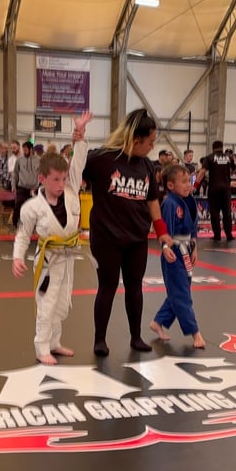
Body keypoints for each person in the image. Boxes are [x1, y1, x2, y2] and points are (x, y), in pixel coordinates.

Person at [82, 108, 172, 357]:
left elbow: (152, 201)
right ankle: (100, 340)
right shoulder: (102, 159)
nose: (152, 147)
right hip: (106, 238)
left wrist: (161, 232)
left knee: (135, 288)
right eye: (150, 142)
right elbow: (74, 170)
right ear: (135, 139)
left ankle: (136, 337)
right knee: (107, 287)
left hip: (136, 238)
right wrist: (78, 138)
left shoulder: (146, 165)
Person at [12, 111, 92, 365]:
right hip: (47, 261)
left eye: (63, 178)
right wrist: (17, 258)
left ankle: (55, 342)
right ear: (42, 179)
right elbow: (23, 235)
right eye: (55, 179)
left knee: (63, 304)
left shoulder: (70, 190)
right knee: (47, 304)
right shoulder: (32, 207)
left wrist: (80, 135)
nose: (61, 184)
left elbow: (78, 162)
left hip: (67, 258)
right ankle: (41, 347)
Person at [149, 164, 205, 349]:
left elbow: (193, 229)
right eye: (183, 182)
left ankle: (158, 321)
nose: (188, 185)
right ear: (171, 185)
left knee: (181, 290)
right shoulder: (169, 203)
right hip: (173, 252)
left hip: (186, 251)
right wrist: (165, 247)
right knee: (181, 294)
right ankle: (195, 333)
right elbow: (165, 230)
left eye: (189, 181)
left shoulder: (190, 201)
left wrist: (194, 248)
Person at [195, 140, 233, 241]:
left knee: (214, 212)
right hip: (226, 188)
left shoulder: (209, 157)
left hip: (214, 188)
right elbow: (232, 170)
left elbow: (202, 172)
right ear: (222, 147)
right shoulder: (228, 158)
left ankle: (217, 235)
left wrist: (195, 185)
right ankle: (229, 235)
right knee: (227, 212)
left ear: (213, 148)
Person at [11, 141, 41, 227]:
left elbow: (43, 174)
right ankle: (15, 223)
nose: (24, 152)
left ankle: (35, 225)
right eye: (23, 150)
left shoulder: (39, 160)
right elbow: (15, 174)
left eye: (26, 150)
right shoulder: (19, 160)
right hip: (22, 187)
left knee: (34, 208)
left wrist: (40, 186)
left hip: (34, 189)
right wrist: (13, 186)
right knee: (19, 203)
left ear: (31, 149)